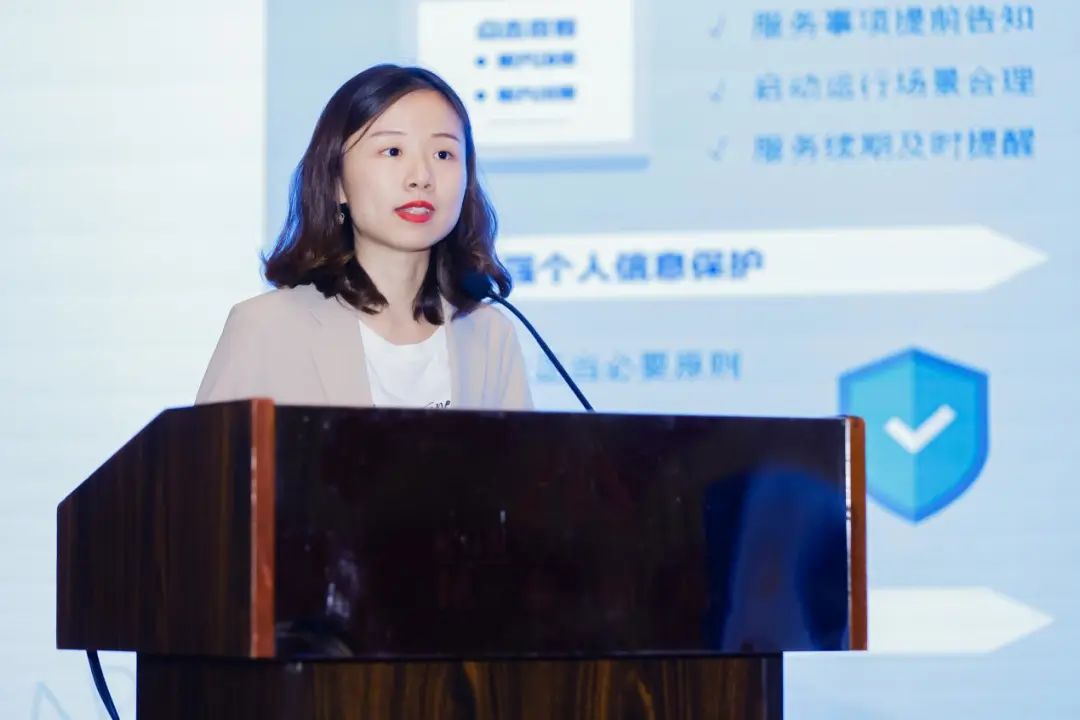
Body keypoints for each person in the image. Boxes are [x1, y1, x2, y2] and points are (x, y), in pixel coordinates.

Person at [195, 64, 532, 410]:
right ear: (336, 182)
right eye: (393, 151)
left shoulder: (491, 335)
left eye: (443, 154)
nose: (421, 177)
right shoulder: (266, 329)